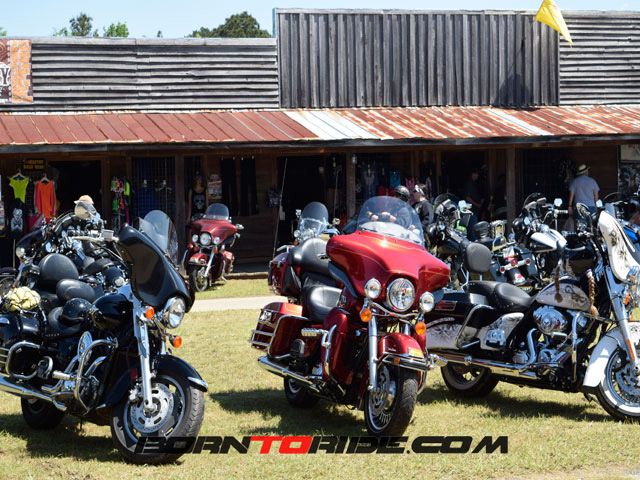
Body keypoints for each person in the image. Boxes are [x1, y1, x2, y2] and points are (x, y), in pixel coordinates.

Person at [464, 169, 482, 240]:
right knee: (473, 233)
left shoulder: (473, 183)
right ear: (473, 174)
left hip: (474, 211)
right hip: (471, 211)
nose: (478, 175)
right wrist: (477, 205)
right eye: (477, 174)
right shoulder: (469, 184)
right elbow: (467, 198)